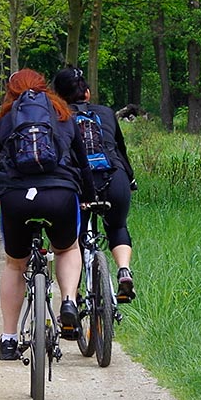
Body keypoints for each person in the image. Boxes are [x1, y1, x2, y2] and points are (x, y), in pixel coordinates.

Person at [0, 69, 95, 361]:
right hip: (60, 195)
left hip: (17, 198)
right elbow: (83, 163)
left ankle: (8, 338)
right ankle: (68, 301)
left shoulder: (6, 120)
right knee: (68, 248)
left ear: (11, 92)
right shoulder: (63, 115)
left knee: (15, 265)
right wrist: (88, 197)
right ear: (45, 90)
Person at [51, 67, 137, 304]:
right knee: (117, 226)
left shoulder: (58, 116)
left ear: (57, 95)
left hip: (77, 182)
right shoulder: (107, 113)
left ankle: (73, 297)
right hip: (114, 177)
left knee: (72, 242)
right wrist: (130, 180)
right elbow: (120, 150)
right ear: (87, 93)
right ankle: (123, 271)